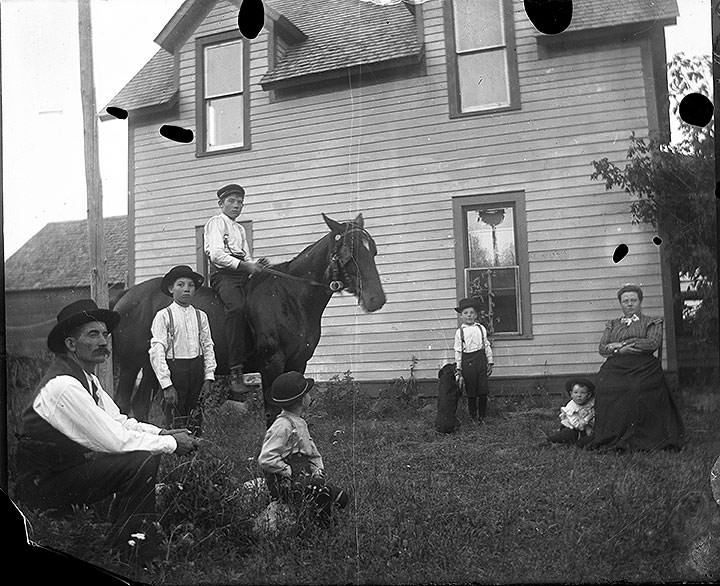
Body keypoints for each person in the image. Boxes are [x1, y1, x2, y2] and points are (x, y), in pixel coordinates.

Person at [13, 299, 201, 563]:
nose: (103, 341)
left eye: (105, 334)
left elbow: (119, 422)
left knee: (145, 451)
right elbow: (114, 441)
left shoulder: (88, 379)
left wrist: (162, 433)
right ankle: (133, 552)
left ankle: (127, 538)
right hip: (40, 489)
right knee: (140, 458)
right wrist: (171, 443)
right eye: (93, 334)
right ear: (70, 344)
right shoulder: (63, 386)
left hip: (62, 476)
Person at [587, 284, 684, 451]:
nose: (630, 304)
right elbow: (603, 348)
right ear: (621, 304)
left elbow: (652, 343)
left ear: (640, 302)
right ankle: (612, 432)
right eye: (625, 301)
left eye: (633, 300)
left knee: (635, 388)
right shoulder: (612, 324)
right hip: (616, 366)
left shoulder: (652, 322)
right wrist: (619, 350)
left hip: (644, 365)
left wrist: (620, 344)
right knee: (605, 386)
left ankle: (641, 434)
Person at [204, 183, 270, 399]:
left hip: (242, 275)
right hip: (224, 276)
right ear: (221, 203)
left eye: (240, 202)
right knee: (237, 307)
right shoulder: (216, 223)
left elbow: (246, 256)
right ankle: (235, 371)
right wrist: (245, 266)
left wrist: (256, 266)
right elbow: (216, 255)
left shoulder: (240, 229)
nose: (236, 205)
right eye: (231, 201)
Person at [258, 371, 349, 525]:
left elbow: (313, 453)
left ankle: (317, 514)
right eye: (307, 393)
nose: (309, 396)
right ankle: (320, 527)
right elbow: (266, 458)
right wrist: (289, 471)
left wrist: (318, 472)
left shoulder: (299, 423)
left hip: (303, 478)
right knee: (324, 495)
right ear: (302, 400)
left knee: (341, 496)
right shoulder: (282, 426)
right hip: (285, 484)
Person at [149, 265, 216, 435]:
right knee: (175, 415)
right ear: (171, 289)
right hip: (175, 371)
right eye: (180, 284)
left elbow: (208, 346)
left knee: (195, 414)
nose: (186, 289)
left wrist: (209, 376)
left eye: (191, 285)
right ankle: (175, 454)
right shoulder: (163, 315)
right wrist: (166, 385)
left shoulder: (201, 316)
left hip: (196, 369)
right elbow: (157, 351)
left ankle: (194, 452)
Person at [453, 297, 494, 422]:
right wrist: (459, 368)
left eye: (471, 313)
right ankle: (473, 417)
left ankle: (482, 417)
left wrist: (490, 362)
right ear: (461, 316)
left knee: (483, 389)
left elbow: (486, 345)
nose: (469, 315)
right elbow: (458, 351)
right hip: (467, 361)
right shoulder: (460, 332)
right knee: (471, 389)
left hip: (481, 359)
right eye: (465, 313)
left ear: (476, 314)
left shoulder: (481, 328)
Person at [546, 378, 595, 447]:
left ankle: (579, 443)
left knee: (592, 437)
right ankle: (551, 440)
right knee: (568, 434)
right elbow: (577, 425)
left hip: (588, 428)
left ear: (589, 395)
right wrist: (588, 418)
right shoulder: (571, 408)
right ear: (571, 394)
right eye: (576, 392)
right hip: (574, 428)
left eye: (583, 393)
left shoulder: (591, 403)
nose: (579, 395)